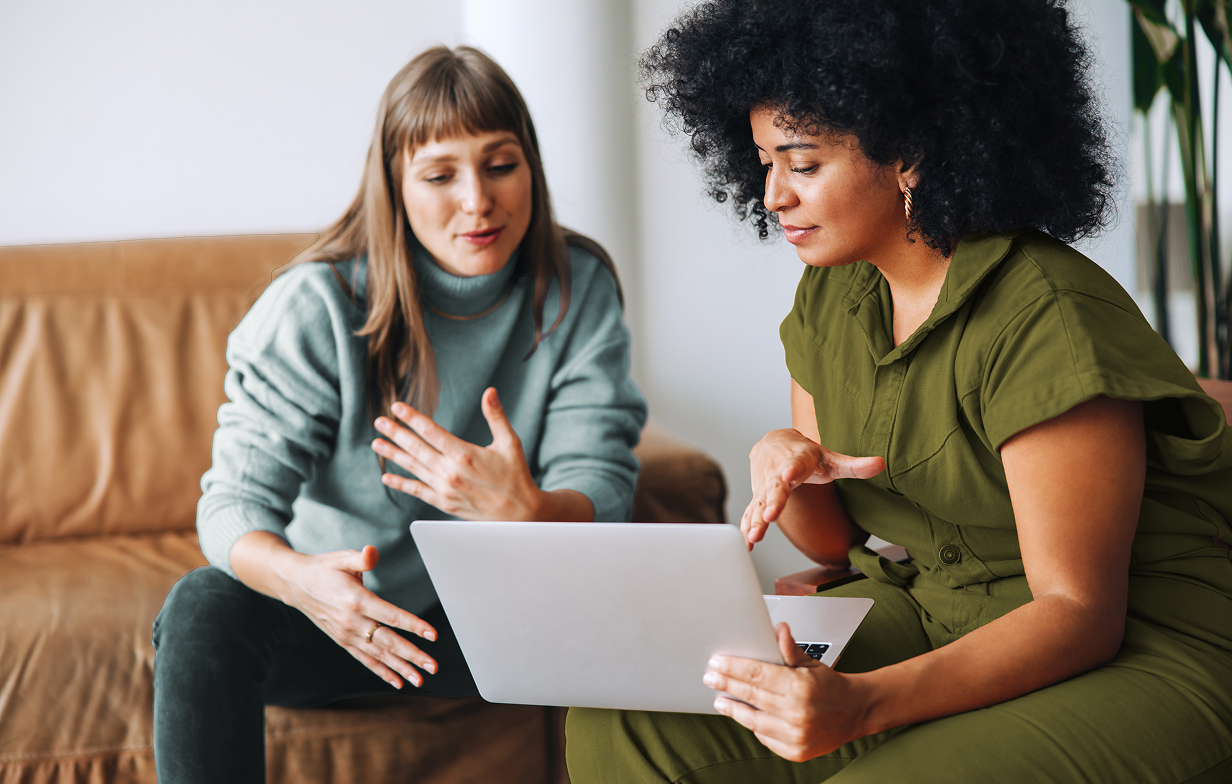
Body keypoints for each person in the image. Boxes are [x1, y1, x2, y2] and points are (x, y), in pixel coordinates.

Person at [566, 1, 1232, 781]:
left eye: (803, 163)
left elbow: (1078, 614)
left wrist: (865, 703)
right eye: (764, 162)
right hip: (927, 608)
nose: (775, 194)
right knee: (628, 722)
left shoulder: (1044, 314)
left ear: (910, 152)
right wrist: (783, 458)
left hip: (1136, 649)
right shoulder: (829, 297)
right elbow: (833, 546)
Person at [151, 45, 647, 783]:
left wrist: (530, 510)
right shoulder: (317, 306)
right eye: (440, 175)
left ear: (532, 168)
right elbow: (233, 506)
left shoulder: (578, 285)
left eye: (501, 164)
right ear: (395, 186)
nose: (477, 201)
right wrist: (302, 584)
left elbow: (602, 479)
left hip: (499, 619)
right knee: (202, 607)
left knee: (664, 603)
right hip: (336, 618)